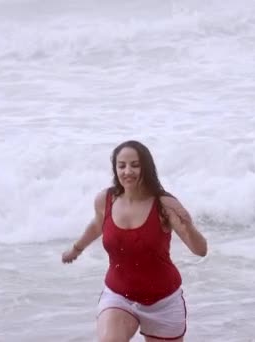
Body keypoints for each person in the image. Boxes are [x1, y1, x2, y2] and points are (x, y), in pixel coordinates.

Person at [62, 140, 208, 342]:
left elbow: (200, 250)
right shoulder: (105, 200)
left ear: (146, 167)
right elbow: (97, 226)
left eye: (135, 165)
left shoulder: (164, 204)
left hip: (163, 303)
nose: (127, 171)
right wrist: (76, 249)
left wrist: (188, 226)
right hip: (119, 297)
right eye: (121, 165)